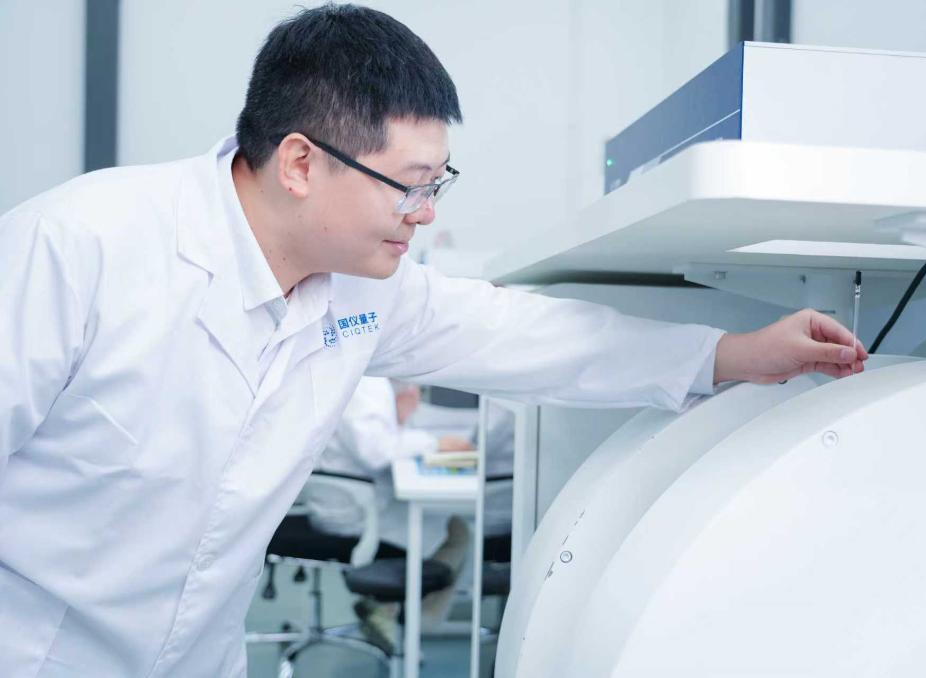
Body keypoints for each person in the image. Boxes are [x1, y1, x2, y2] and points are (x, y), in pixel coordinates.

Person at [0, 4, 867, 676]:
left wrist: (730, 356)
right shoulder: (79, 247)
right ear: (300, 163)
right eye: (409, 185)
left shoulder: (362, 290)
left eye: (436, 182)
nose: (424, 213)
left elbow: (528, 335)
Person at [303, 375, 474, 653]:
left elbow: (370, 439)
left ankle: (391, 609)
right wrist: (433, 443)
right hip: (354, 511)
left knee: (453, 527)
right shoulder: (368, 383)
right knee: (454, 530)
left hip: (336, 499)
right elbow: (377, 452)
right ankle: (405, 618)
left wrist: (398, 415)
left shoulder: (361, 379)